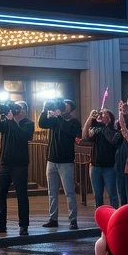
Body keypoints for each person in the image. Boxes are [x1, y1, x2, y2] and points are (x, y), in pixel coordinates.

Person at [0, 99, 34, 235]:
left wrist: (11, 120)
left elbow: (23, 136)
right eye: (14, 108)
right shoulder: (6, 123)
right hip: (4, 164)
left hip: (19, 165)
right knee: (0, 194)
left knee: (22, 195)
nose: (14, 111)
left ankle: (23, 225)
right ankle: (1, 224)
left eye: (18, 109)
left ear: (24, 111)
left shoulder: (28, 124)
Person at [38, 98, 81, 230]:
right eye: (62, 105)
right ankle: (53, 218)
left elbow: (69, 131)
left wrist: (59, 116)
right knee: (52, 192)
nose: (63, 107)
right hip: (51, 161)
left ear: (71, 109)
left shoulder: (73, 121)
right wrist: (45, 109)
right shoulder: (55, 120)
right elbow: (42, 123)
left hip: (66, 162)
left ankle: (73, 219)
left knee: (69, 192)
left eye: (65, 106)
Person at [83, 108, 121, 208]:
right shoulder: (96, 130)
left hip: (109, 168)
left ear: (110, 119)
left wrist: (104, 123)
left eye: (105, 115)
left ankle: (115, 217)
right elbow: (85, 136)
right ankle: (100, 217)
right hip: (95, 167)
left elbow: (112, 139)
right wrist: (90, 118)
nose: (102, 116)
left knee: (112, 195)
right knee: (97, 196)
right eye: (102, 115)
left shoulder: (115, 131)